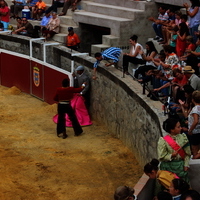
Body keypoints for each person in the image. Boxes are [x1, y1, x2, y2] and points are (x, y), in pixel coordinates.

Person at [158, 118, 191, 182]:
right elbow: (161, 156)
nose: (181, 128)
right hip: (168, 168)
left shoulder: (183, 138)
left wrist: (186, 164)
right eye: (178, 127)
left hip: (181, 168)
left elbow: (188, 154)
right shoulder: (163, 141)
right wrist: (171, 155)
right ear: (172, 130)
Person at [188, 90, 200, 157]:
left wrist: (190, 130)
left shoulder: (196, 109)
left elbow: (196, 121)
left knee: (195, 151)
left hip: (195, 132)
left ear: (193, 100)